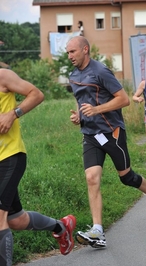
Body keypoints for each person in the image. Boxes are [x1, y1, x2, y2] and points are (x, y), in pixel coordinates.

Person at [66, 36, 146, 249]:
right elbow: (81, 101)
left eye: (73, 51)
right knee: (92, 178)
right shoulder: (73, 75)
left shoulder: (101, 71)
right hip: (90, 135)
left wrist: (96, 110)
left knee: (126, 177)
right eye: (67, 52)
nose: (69, 56)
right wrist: (80, 117)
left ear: (85, 49)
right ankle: (97, 230)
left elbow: (124, 99)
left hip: (112, 132)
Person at [0, 69, 76, 264]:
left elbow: (37, 94)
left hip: (10, 156)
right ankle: (61, 227)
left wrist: (13, 114)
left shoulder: (3, 76)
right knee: (16, 220)